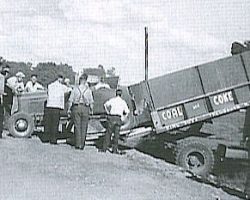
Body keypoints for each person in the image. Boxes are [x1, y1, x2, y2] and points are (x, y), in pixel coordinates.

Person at [67, 74, 94, 150]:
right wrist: (91, 110)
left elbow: (70, 101)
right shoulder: (88, 90)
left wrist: (69, 109)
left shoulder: (75, 89)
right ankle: (82, 144)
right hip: (85, 108)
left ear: (80, 80)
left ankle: (78, 144)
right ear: (85, 81)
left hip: (77, 107)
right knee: (84, 127)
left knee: (77, 126)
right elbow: (91, 102)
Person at [101, 89, 130, 154]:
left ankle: (104, 148)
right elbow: (127, 112)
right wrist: (123, 117)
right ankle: (114, 150)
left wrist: (107, 112)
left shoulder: (112, 100)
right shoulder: (123, 102)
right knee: (116, 135)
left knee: (108, 133)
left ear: (116, 94)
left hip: (111, 117)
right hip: (118, 118)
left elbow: (105, 104)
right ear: (121, 94)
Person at [44, 74, 70, 144]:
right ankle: (53, 140)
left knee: (48, 123)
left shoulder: (50, 85)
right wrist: (67, 84)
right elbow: (69, 90)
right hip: (57, 107)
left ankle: (46, 138)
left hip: (49, 106)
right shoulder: (62, 87)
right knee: (55, 124)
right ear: (60, 79)